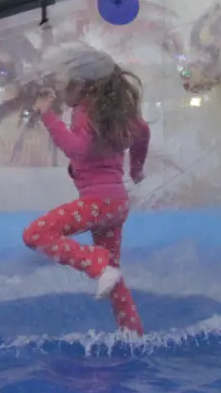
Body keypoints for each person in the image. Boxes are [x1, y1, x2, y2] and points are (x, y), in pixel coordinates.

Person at [21, 48, 149, 335]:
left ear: (82, 83)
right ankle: (133, 333)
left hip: (97, 204)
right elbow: (143, 132)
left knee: (35, 234)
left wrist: (48, 116)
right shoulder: (116, 113)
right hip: (117, 206)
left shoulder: (84, 111)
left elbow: (77, 148)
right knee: (115, 277)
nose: (60, 87)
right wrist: (136, 170)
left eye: (65, 81)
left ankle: (96, 266)